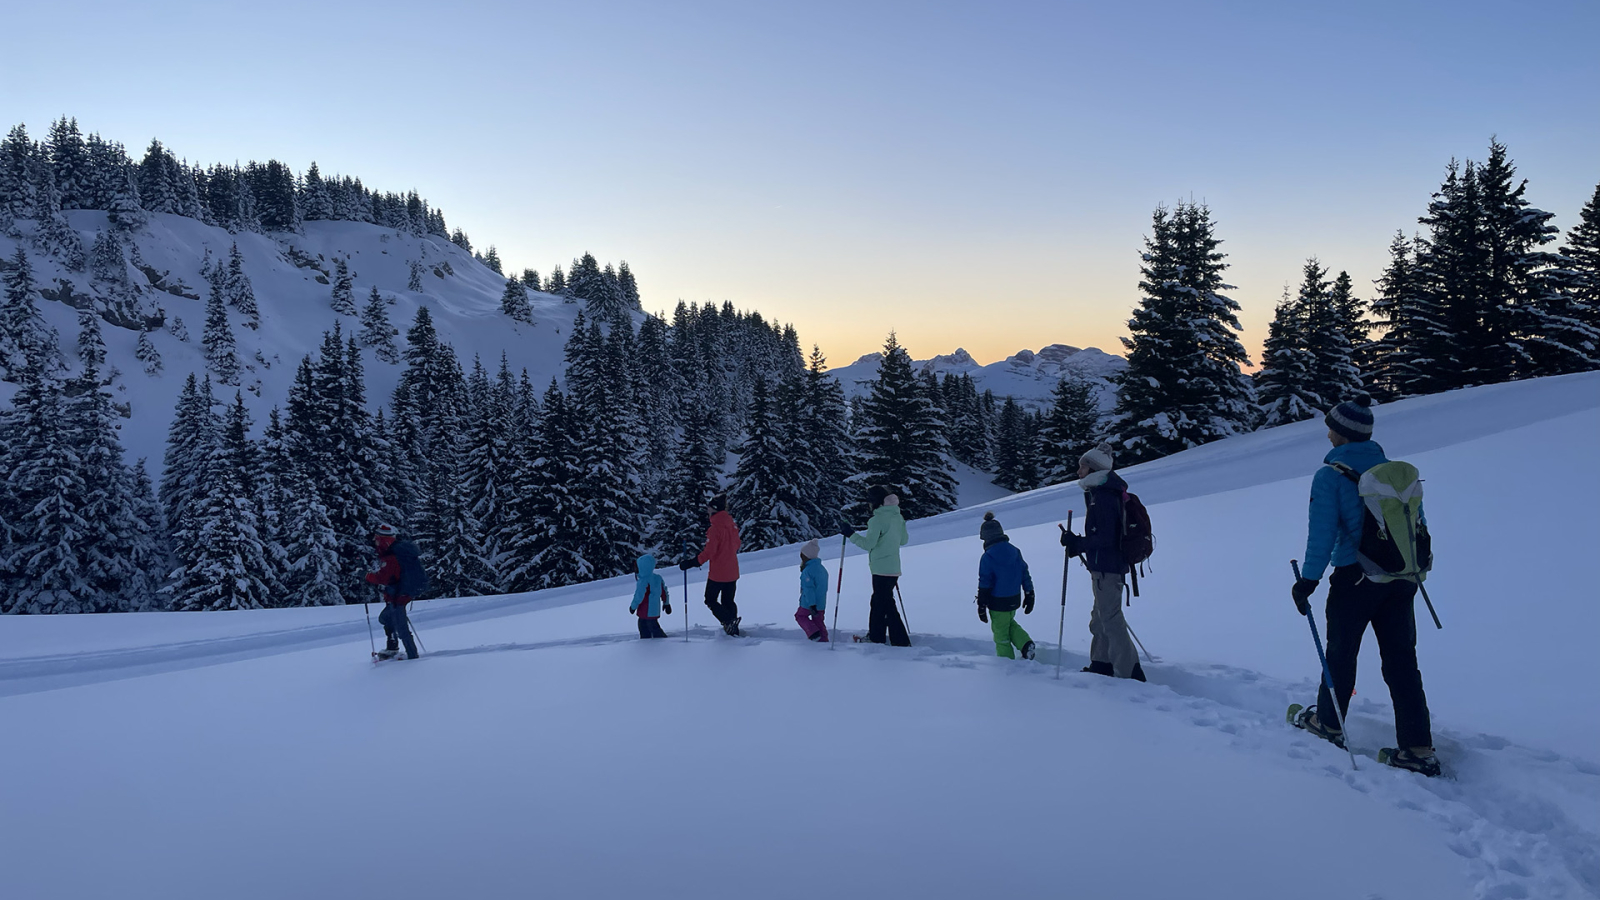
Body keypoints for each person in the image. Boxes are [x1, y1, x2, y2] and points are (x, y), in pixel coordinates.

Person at [1290, 396, 1438, 776]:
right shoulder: (1395, 472)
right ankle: (1418, 747)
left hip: (1355, 579)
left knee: (1341, 654)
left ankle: (1328, 723)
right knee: (1403, 661)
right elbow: (1414, 524)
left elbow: (1322, 533)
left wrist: (1308, 580)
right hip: (1402, 579)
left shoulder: (1330, 475)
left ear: (1341, 433)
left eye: (1330, 427)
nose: (1327, 432)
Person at [1059, 442, 1145, 681]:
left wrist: (1079, 544)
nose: (1079, 472)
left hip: (1108, 568)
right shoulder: (1101, 493)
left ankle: (1130, 672)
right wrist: (1078, 543)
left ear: (1094, 469)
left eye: (1083, 466)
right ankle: (1101, 663)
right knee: (1099, 619)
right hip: (1104, 567)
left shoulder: (1105, 496)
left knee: (1110, 619)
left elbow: (1106, 537)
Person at [843, 485, 910, 646]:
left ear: (876, 502)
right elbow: (903, 540)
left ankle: (899, 640)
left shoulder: (876, 520)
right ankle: (876, 636)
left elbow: (868, 544)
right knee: (879, 602)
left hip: (880, 568)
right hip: (893, 568)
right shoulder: (897, 517)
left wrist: (850, 534)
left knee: (886, 604)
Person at [976, 512, 1037, 660]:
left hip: (998, 602)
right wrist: (1029, 593)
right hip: (1014, 599)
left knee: (1000, 634)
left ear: (985, 537)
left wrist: (981, 604)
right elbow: (1024, 572)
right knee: (1008, 623)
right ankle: (1025, 644)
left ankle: (1005, 662)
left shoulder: (988, 556)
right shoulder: (1014, 551)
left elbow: (985, 582)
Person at [681, 494, 742, 636]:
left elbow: (709, 552)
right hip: (732, 570)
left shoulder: (715, 529)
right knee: (728, 600)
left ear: (714, 509)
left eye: (709, 507)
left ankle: (729, 621)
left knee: (710, 599)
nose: (707, 509)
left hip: (718, 573)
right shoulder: (732, 525)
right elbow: (737, 544)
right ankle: (732, 627)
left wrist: (692, 563)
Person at [365, 523, 427, 660]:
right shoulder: (397, 552)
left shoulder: (392, 556)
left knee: (400, 626)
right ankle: (392, 647)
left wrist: (367, 576)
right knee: (386, 618)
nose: (375, 542)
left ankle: (412, 656)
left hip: (399, 594)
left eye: (376, 539)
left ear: (383, 540)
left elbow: (385, 577)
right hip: (400, 592)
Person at [795, 538, 830, 642]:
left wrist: (811, 604)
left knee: (800, 616)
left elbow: (808, 589)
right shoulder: (822, 569)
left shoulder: (808, 571)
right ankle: (823, 639)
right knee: (819, 621)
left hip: (809, 603)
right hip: (821, 603)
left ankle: (813, 633)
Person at [629, 554, 672, 639]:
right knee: (652, 625)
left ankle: (654, 642)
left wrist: (633, 607)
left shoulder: (643, 581)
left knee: (648, 627)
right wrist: (666, 603)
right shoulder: (657, 578)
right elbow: (664, 591)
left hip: (645, 611)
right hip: (654, 610)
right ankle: (648, 641)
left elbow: (639, 596)